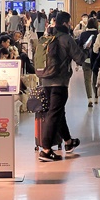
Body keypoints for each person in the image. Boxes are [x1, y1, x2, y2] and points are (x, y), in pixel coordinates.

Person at [37, 11, 86, 162]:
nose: (70, 25)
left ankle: (68, 142)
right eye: (69, 22)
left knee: (58, 112)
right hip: (60, 82)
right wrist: (85, 48)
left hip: (45, 81)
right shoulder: (66, 39)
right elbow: (80, 58)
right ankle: (45, 150)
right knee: (54, 113)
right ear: (65, 23)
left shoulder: (45, 38)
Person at [77, 17, 100, 107]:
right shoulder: (99, 34)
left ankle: (89, 99)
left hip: (86, 59)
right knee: (95, 79)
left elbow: (79, 47)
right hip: (97, 60)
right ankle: (96, 98)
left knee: (87, 79)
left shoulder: (83, 34)